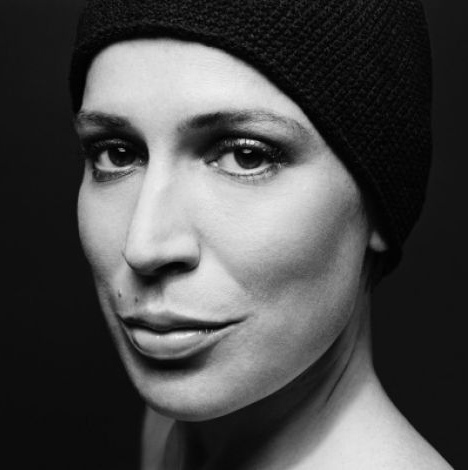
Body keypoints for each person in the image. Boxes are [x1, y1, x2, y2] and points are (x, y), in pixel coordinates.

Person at [70, 0, 453, 468]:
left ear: (376, 199)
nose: (143, 246)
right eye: (116, 154)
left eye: (245, 156)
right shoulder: (171, 435)